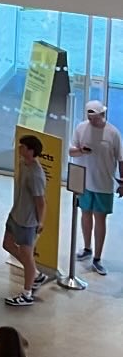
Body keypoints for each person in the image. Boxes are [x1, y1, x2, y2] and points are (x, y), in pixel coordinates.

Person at [70, 98, 123, 274]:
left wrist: (122, 182)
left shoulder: (113, 133)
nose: (92, 120)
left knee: (100, 219)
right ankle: (87, 248)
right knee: (85, 214)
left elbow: (121, 159)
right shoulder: (81, 128)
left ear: (102, 114)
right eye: (89, 116)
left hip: (104, 183)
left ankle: (98, 258)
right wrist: (81, 151)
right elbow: (71, 150)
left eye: (95, 116)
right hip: (84, 181)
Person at [4, 134, 48, 307]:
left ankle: (27, 293)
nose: (19, 149)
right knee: (7, 244)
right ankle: (35, 274)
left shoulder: (36, 175)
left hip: (27, 221)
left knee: (27, 256)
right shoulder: (23, 164)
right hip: (16, 214)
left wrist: (41, 222)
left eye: (22, 147)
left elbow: (41, 202)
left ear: (31, 151)